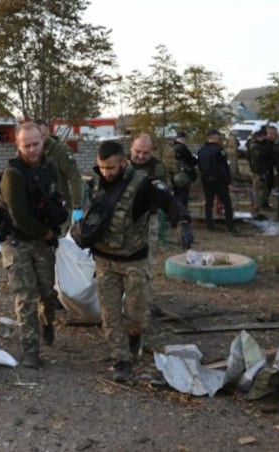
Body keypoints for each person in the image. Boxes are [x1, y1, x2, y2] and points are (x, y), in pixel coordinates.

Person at [83, 139, 193, 382]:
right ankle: (121, 359)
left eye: (110, 168)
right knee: (110, 314)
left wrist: (183, 220)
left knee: (137, 315)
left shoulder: (143, 185)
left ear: (124, 162)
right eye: (101, 167)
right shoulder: (96, 182)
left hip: (133, 261)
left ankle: (134, 337)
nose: (105, 173)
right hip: (104, 260)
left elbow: (169, 202)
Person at [0, 121, 66, 369]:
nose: (32, 150)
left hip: (42, 240)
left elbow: (55, 197)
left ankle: (47, 323)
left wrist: (57, 220)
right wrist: (45, 233)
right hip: (17, 241)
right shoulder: (12, 174)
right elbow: (19, 216)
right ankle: (30, 350)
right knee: (25, 296)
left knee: (47, 292)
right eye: (26, 145)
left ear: (43, 141)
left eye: (36, 144)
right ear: (18, 145)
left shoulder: (48, 166)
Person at [35, 119, 83, 231]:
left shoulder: (60, 151)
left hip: (59, 206)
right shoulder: (32, 151)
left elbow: (74, 176)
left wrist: (77, 204)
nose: (40, 138)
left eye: (43, 135)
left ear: (47, 132)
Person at [197, 129, 237, 234]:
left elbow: (200, 166)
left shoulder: (201, 150)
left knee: (209, 202)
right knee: (227, 203)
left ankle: (209, 224)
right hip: (218, 180)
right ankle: (230, 226)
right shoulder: (219, 150)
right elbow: (224, 167)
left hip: (206, 179)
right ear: (215, 137)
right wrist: (228, 182)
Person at [247, 126, 274, 218]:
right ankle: (256, 210)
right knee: (258, 191)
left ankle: (257, 209)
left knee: (260, 191)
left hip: (259, 171)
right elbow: (256, 162)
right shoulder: (255, 147)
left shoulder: (258, 145)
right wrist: (260, 173)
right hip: (258, 172)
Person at [170, 131, 198, 210]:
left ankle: (176, 214)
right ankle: (182, 215)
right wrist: (193, 165)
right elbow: (186, 162)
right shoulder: (181, 148)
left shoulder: (172, 148)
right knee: (182, 197)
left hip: (174, 175)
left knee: (177, 196)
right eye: (183, 138)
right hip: (183, 176)